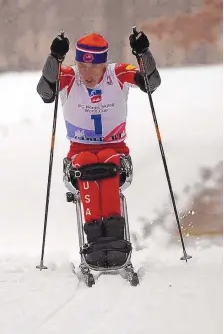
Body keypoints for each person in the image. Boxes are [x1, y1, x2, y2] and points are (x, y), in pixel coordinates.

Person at [37, 30, 161, 267]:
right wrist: (54, 57)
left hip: (116, 152)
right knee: (85, 161)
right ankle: (95, 242)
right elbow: (45, 92)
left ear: (104, 64)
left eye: (93, 67)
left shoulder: (118, 73)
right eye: (82, 66)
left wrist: (143, 52)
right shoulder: (70, 76)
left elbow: (151, 83)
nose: (86, 73)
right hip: (78, 155)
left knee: (107, 158)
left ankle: (114, 241)